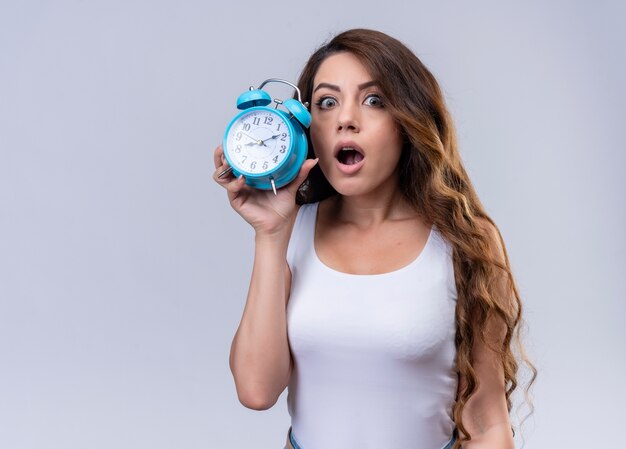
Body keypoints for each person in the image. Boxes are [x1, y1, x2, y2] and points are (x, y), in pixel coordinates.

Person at [213, 28, 536, 449]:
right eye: (327, 102)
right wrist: (270, 234)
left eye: (373, 100)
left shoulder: (465, 241)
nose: (346, 118)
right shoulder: (291, 233)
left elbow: (489, 425)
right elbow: (256, 391)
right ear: (309, 129)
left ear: (407, 121)